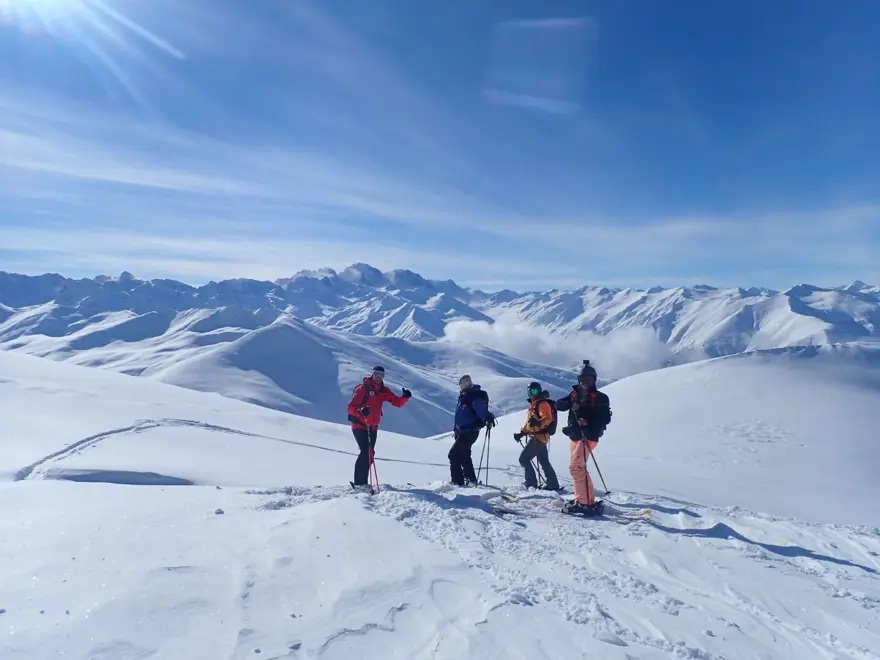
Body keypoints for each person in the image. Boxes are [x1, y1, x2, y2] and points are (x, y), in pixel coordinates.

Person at [556, 360, 612, 514]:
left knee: (576, 467)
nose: (585, 382)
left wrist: (587, 421)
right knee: (578, 468)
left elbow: (605, 418)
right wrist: (569, 404)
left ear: (594, 380)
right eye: (582, 379)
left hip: (588, 436)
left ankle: (585, 503)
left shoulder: (600, 397)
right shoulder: (574, 394)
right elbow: (558, 404)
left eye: (588, 379)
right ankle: (583, 498)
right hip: (575, 436)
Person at [346, 366, 411, 488]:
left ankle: (363, 482)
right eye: (376, 374)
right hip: (360, 424)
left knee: (370, 453)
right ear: (372, 374)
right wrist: (360, 411)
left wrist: (405, 397)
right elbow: (350, 407)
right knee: (365, 451)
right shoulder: (363, 389)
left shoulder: (383, 390)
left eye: (381, 375)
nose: (378, 377)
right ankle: (359, 483)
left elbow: (397, 402)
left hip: (373, 427)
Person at [513, 381, 560, 491]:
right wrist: (521, 433)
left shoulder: (542, 404)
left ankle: (531, 483)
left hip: (538, 438)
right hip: (541, 438)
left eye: (535, 391)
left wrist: (538, 422)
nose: (533, 393)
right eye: (530, 391)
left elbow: (547, 418)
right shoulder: (534, 405)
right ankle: (553, 484)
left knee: (523, 459)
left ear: (539, 391)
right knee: (544, 462)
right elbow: (529, 423)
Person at [450, 374, 496, 486]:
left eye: (467, 382)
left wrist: (488, 418)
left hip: (469, 431)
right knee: (464, 455)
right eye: (463, 383)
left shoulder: (473, 397)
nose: (465, 384)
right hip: (462, 432)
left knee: (453, 454)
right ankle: (471, 479)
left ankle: (457, 481)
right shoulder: (464, 397)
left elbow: (481, 410)